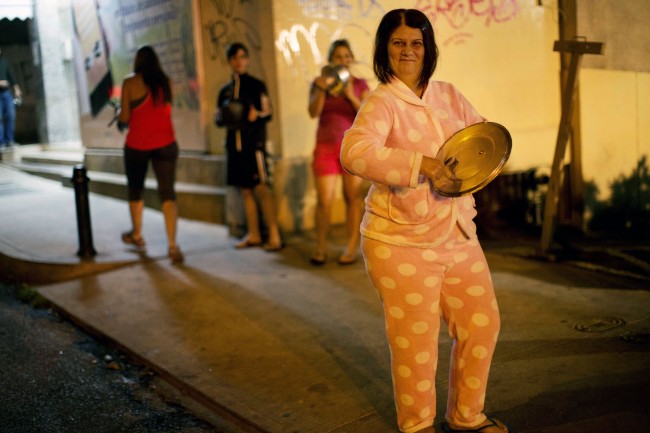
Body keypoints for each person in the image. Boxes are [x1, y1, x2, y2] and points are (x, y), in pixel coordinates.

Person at [340, 9, 510, 433]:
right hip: (400, 243)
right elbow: (354, 152)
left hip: (457, 233)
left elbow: (481, 138)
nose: (408, 50)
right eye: (398, 43)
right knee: (416, 344)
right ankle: (417, 426)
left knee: (482, 323)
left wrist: (490, 161)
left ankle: (467, 417)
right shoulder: (382, 102)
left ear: (428, 48)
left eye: (416, 42)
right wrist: (422, 164)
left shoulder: (449, 94)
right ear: (385, 49)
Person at [117, 45, 183, 264]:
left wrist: (120, 118)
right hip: (166, 143)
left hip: (138, 146)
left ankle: (137, 235)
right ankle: (172, 246)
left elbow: (125, 118)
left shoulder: (130, 83)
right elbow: (166, 111)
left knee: (135, 191)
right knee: (168, 194)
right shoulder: (166, 82)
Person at [215, 42, 282, 251]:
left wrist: (257, 115)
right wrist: (218, 117)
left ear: (248, 59)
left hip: (254, 145)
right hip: (234, 147)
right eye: (234, 57)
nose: (239, 61)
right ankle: (253, 234)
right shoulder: (224, 92)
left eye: (243, 56)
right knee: (245, 190)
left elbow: (268, 112)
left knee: (262, 188)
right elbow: (220, 120)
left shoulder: (256, 85)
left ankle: (274, 235)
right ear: (229, 61)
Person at [307, 39, 369, 266]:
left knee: (351, 198)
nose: (343, 60)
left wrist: (350, 94)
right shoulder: (320, 83)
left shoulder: (360, 84)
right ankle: (320, 247)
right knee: (325, 200)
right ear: (331, 61)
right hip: (325, 147)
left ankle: (350, 247)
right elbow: (313, 112)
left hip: (351, 149)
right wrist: (322, 89)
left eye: (346, 56)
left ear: (351, 59)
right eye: (338, 57)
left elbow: (367, 114)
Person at [0, 48, 22, 148]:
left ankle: (10, 141)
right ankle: (1, 143)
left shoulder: (4, 62)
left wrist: (17, 89)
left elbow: (11, 76)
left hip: (6, 93)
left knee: (10, 116)